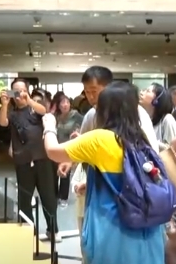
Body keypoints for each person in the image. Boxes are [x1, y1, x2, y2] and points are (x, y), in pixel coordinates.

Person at [41, 81, 165, 264]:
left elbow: (53, 151)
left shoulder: (100, 139)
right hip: (146, 233)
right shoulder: (140, 137)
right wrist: (92, 183)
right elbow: (129, 177)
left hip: (113, 232)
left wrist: (49, 125)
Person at [66, 66, 160, 255]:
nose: (91, 97)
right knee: (94, 246)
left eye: (95, 91)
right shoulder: (92, 115)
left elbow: (148, 159)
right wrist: (72, 162)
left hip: (128, 199)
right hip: (95, 193)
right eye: (87, 92)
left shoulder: (137, 115)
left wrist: (49, 128)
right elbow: (81, 151)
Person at [0, 78, 61, 242]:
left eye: (22, 90)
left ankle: (53, 229)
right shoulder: (12, 113)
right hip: (23, 161)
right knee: (24, 199)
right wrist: (4, 104)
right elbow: (3, 122)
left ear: (27, 91)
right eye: (16, 92)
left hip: (43, 159)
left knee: (48, 196)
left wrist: (30, 100)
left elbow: (44, 111)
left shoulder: (35, 108)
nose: (19, 95)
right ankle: (28, 232)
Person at [50, 91, 83, 208]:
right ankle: (54, 196)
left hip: (69, 148)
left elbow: (83, 127)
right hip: (56, 148)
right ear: (58, 105)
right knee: (54, 173)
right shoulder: (56, 118)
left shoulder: (76, 116)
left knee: (65, 173)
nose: (65, 105)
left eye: (67, 102)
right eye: (62, 103)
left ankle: (63, 198)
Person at [140, 83, 176, 150]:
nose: (141, 93)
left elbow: (172, 149)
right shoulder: (142, 118)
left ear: (156, 100)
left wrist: (150, 140)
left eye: (147, 91)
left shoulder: (167, 119)